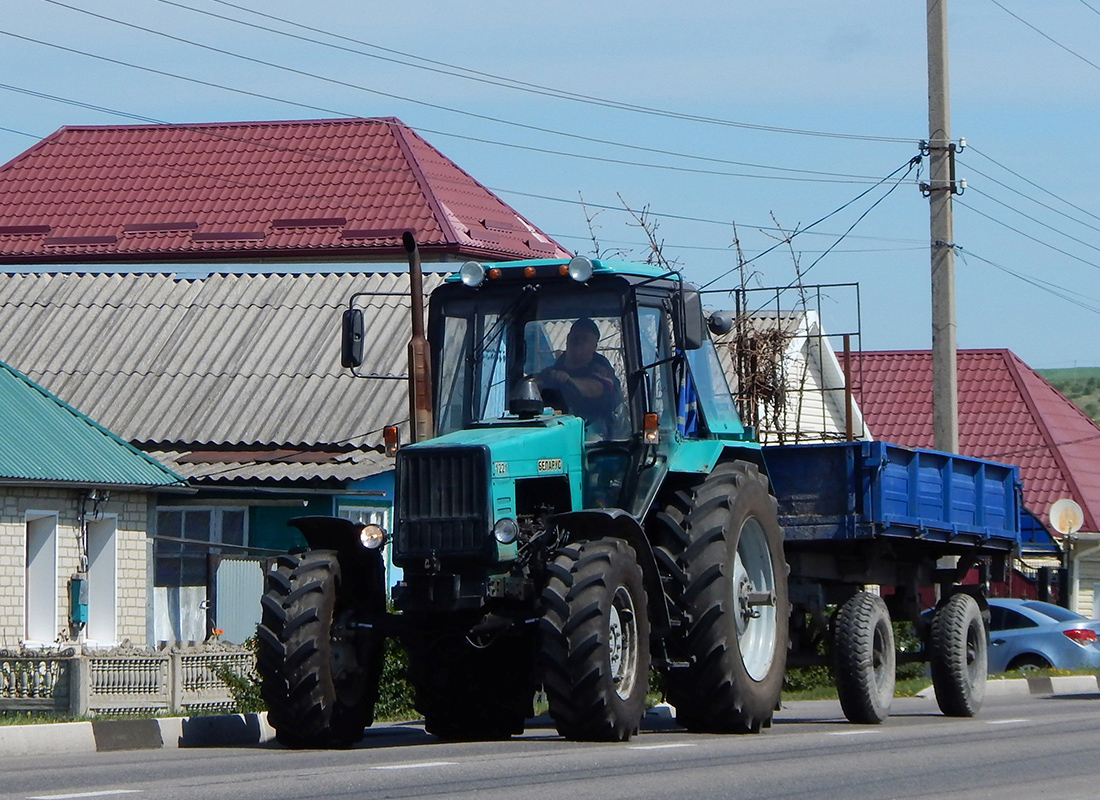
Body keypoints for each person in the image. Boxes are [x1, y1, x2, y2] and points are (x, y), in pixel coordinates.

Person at [538, 317, 620, 434]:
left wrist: (569, 380)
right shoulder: (552, 372)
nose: (579, 341)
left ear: (595, 345)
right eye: (575, 337)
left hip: (597, 433)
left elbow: (596, 388)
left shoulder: (602, 370)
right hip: (555, 430)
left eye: (585, 338)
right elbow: (534, 384)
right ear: (568, 339)